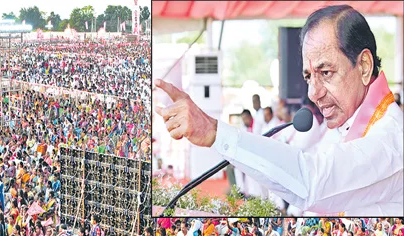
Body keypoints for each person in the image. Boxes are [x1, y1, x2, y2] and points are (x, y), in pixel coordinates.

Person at [155, 5, 403, 215]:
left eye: (326, 73)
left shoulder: (390, 138)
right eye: (308, 76)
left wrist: (214, 132)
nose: (313, 93)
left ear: (364, 66)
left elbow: (311, 181)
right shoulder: (343, 124)